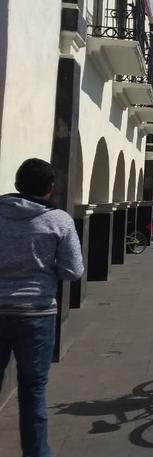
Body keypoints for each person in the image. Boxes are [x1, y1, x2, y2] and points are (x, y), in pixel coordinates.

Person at [0, 158, 84, 457]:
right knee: (33, 391)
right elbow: (73, 270)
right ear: (50, 188)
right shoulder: (59, 220)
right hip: (36, 314)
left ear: (17, 184)